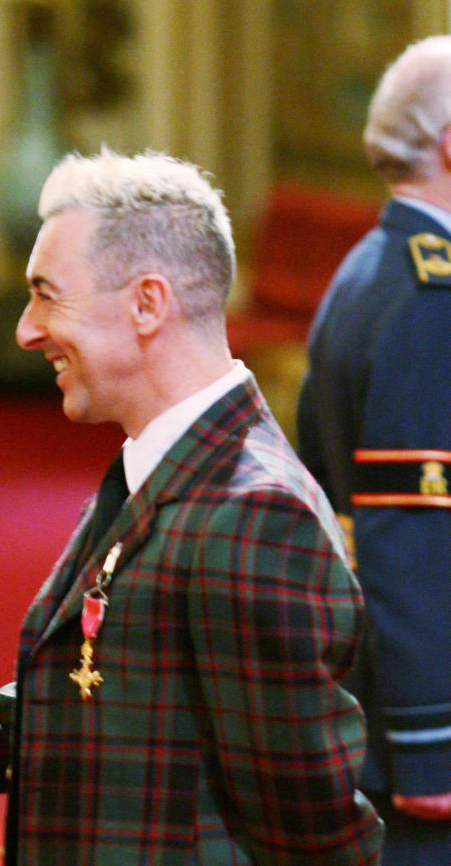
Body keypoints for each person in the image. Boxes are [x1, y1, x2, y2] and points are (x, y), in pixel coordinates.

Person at [0, 149, 385, 863]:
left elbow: (313, 836)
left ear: (148, 304)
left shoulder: (253, 518)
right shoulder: (170, 467)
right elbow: (102, 702)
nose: (27, 329)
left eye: (47, 295)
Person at [297, 34, 451, 865]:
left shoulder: (368, 268)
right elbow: (415, 537)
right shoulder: (433, 300)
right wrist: (434, 745)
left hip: (373, 687)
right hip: (421, 728)